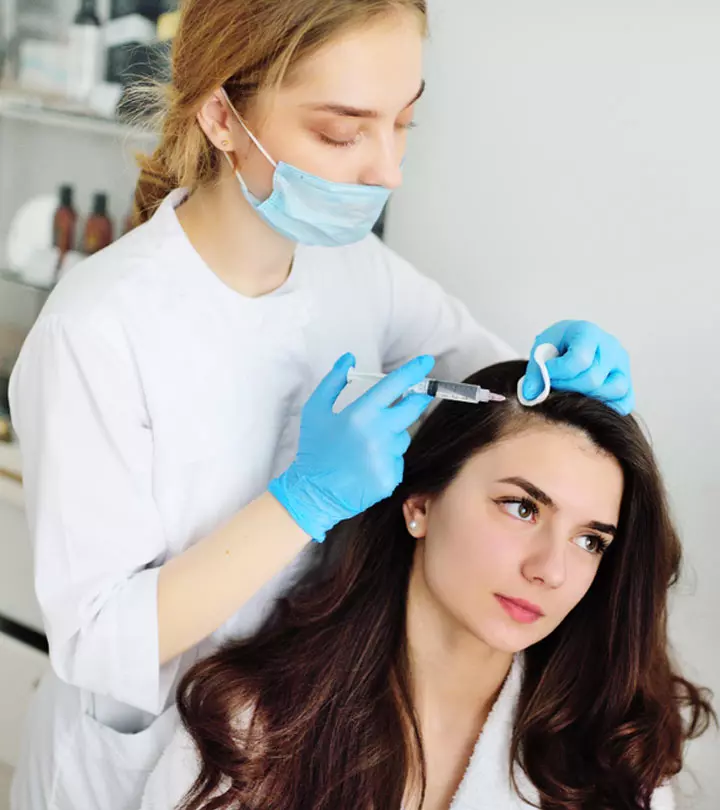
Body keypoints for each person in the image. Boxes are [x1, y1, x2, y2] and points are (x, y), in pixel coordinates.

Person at [8, 1, 635, 809]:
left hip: (295, 734)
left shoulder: (353, 268)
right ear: (222, 116)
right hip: (139, 763)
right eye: (343, 133)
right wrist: (303, 501)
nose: (388, 169)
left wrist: (559, 370)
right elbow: (99, 644)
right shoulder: (97, 331)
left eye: (403, 123)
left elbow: (493, 381)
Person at [140, 361, 714, 810]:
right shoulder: (258, 728)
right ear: (420, 503)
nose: (551, 569)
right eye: (521, 507)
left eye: (590, 541)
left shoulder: (611, 758)